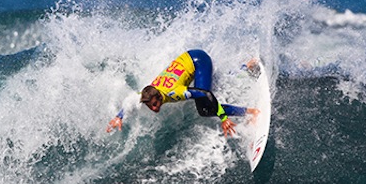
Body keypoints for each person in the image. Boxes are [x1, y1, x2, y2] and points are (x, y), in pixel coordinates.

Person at [106, 49, 259, 137]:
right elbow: (131, 101)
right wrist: (119, 117)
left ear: (159, 97)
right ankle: (246, 67)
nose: (153, 108)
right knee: (217, 84)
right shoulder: (149, 92)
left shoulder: (174, 93)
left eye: (154, 104)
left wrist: (223, 118)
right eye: (150, 106)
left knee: (205, 109)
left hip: (199, 61)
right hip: (188, 57)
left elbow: (206, 95)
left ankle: (251, 112)